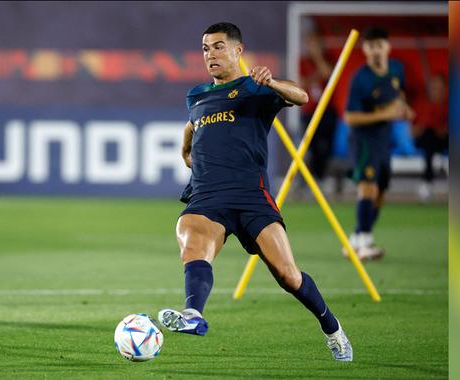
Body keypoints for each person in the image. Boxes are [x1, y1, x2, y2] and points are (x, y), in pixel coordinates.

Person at [157, 22, 352, 362]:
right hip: (207, 196)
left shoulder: (256, 89)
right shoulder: (197, 95)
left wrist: (272, 82)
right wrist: (187, 150)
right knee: (192, 244)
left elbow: (302, 96)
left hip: (251, 196)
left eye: (218, 46)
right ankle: (193, 314)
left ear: (237, 50)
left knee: (288, 276)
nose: (211, 54)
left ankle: (331, 326)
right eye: (205, 48)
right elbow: (192, 124)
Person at [343, 27, 414, 260]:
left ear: (387, 47)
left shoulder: (396, 69)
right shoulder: (361, 78)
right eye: (371, 46)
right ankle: (364, 242)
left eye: (379, 45)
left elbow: (398, 95)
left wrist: (403, 109)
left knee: (381, 193)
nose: (375, 50)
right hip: (363, 139)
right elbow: (350, 116)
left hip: (384, 140)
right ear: (364, 50)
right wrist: (385, 115)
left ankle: (356, 238)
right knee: (368, 187)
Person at [300, 25, 338, 184]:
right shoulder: (302, 62)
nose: (313, 46)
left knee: (328, 145)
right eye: (310, 42)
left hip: (327, 110)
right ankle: (314, 178)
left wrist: (318, 57)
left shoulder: (328, 58)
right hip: (309, 111)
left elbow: (328, 72)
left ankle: (323, 176)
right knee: (312, 145)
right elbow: (301, 83)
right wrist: (316, 77)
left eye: (316, 42)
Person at [413, 74, 448, 202]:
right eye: (434, 87)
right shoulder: (422, 104)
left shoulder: (448, 104)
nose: (436, 90)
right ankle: (428, 182)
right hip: (424, 140)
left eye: (439, 87)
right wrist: (419, 128)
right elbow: (412, 130)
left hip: (443, 140)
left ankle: (427, 181)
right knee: (429, 135)